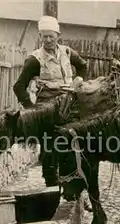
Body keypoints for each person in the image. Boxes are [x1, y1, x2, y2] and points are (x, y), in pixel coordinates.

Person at [13, 15, 88, 187]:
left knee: (74, 147)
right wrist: (32, 111)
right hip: (47, 109)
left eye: (51, 36)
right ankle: (52, 190)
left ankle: (75, 193)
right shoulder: (35, 59)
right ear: (40, 36)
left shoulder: (68, 53)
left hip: (70, 106)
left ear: (58, 35)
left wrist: (79, 80)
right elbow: (18, 87)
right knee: (50, 151)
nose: (48, 40)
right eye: (44, 36)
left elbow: (83, 66)